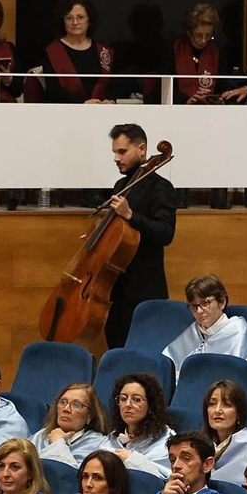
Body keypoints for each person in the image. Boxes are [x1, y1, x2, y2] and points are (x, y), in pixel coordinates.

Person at [101, 124, 177, 349]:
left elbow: (165, 233)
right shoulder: (121, 186)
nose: (116, 158)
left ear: (142, 149)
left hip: (145, 292)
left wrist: (131, 215)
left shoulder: (161, 188)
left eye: (122, 152)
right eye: (114, 152)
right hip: (115, 291)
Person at [24, 0, 117, 104]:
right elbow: (53, 92)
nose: (75, 22)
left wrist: (110, 101)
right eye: (69, 18)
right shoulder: (52, 52)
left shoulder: (104, 52)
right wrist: (83, 104)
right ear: (63, 22)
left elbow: (113, 86)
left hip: (103, 114)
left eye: (80, 17)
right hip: (65, 114)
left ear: (89, 20)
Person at [164, 2, 247, 118]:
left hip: (211, 113)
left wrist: (219, 97)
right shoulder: (173, 49)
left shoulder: (217, 50)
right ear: (189, 32)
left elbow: (221, 84)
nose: (203, 41)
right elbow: (165, 88)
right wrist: (186, 100)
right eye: (198, 35)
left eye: (208, 35)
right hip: (179, 112)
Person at [161, 274, 247, 366]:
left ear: (222, 302)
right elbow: (168, 365)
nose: (199, 311)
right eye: (194, 306)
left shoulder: (238, 332)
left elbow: (237, 373)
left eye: (205, 303)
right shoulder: (193, 331)